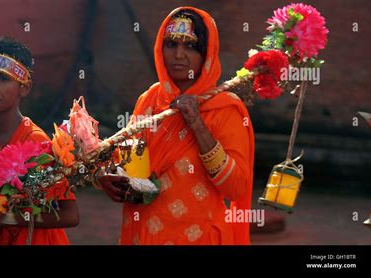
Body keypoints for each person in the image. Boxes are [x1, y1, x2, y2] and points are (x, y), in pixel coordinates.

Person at [98, 7, 254, 245]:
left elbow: (236, 188)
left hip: (199, 237)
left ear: (206, 54)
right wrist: (107, 178)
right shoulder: (149, 99)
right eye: (171, 44)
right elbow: (128, 162)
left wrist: (196, 123)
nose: (179, 55)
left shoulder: (225, 108)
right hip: (144, 236)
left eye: (190, 46)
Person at [0, 37, 79, 245]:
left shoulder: (35, 142)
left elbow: (70, 215)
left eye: (2, 78)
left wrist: (1, 218)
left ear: (24, 88)